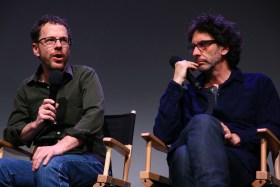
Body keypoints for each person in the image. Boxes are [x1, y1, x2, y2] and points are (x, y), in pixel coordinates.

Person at [153, 12, 280, 187]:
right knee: (200, 126)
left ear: (224, 48)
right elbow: (163, 135)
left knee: (184, 154)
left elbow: (275, 128)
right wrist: (176, 84)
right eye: (194, 47)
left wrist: (238, 137)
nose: (196, 52)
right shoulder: (189, 92)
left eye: (203, 45)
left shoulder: (258, 84)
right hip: (191, 167)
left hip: (239, 164)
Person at [0, 15, 106, 186]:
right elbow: (12, 134)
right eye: (50, 40)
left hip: (87, 161)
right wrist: (36, 124)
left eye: (64, 40)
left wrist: (58, 148)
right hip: (44, 164)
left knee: (50, 165)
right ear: (36, 49)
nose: (58, 46)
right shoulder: (27, 88)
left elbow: (94, 117)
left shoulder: (85, 76)